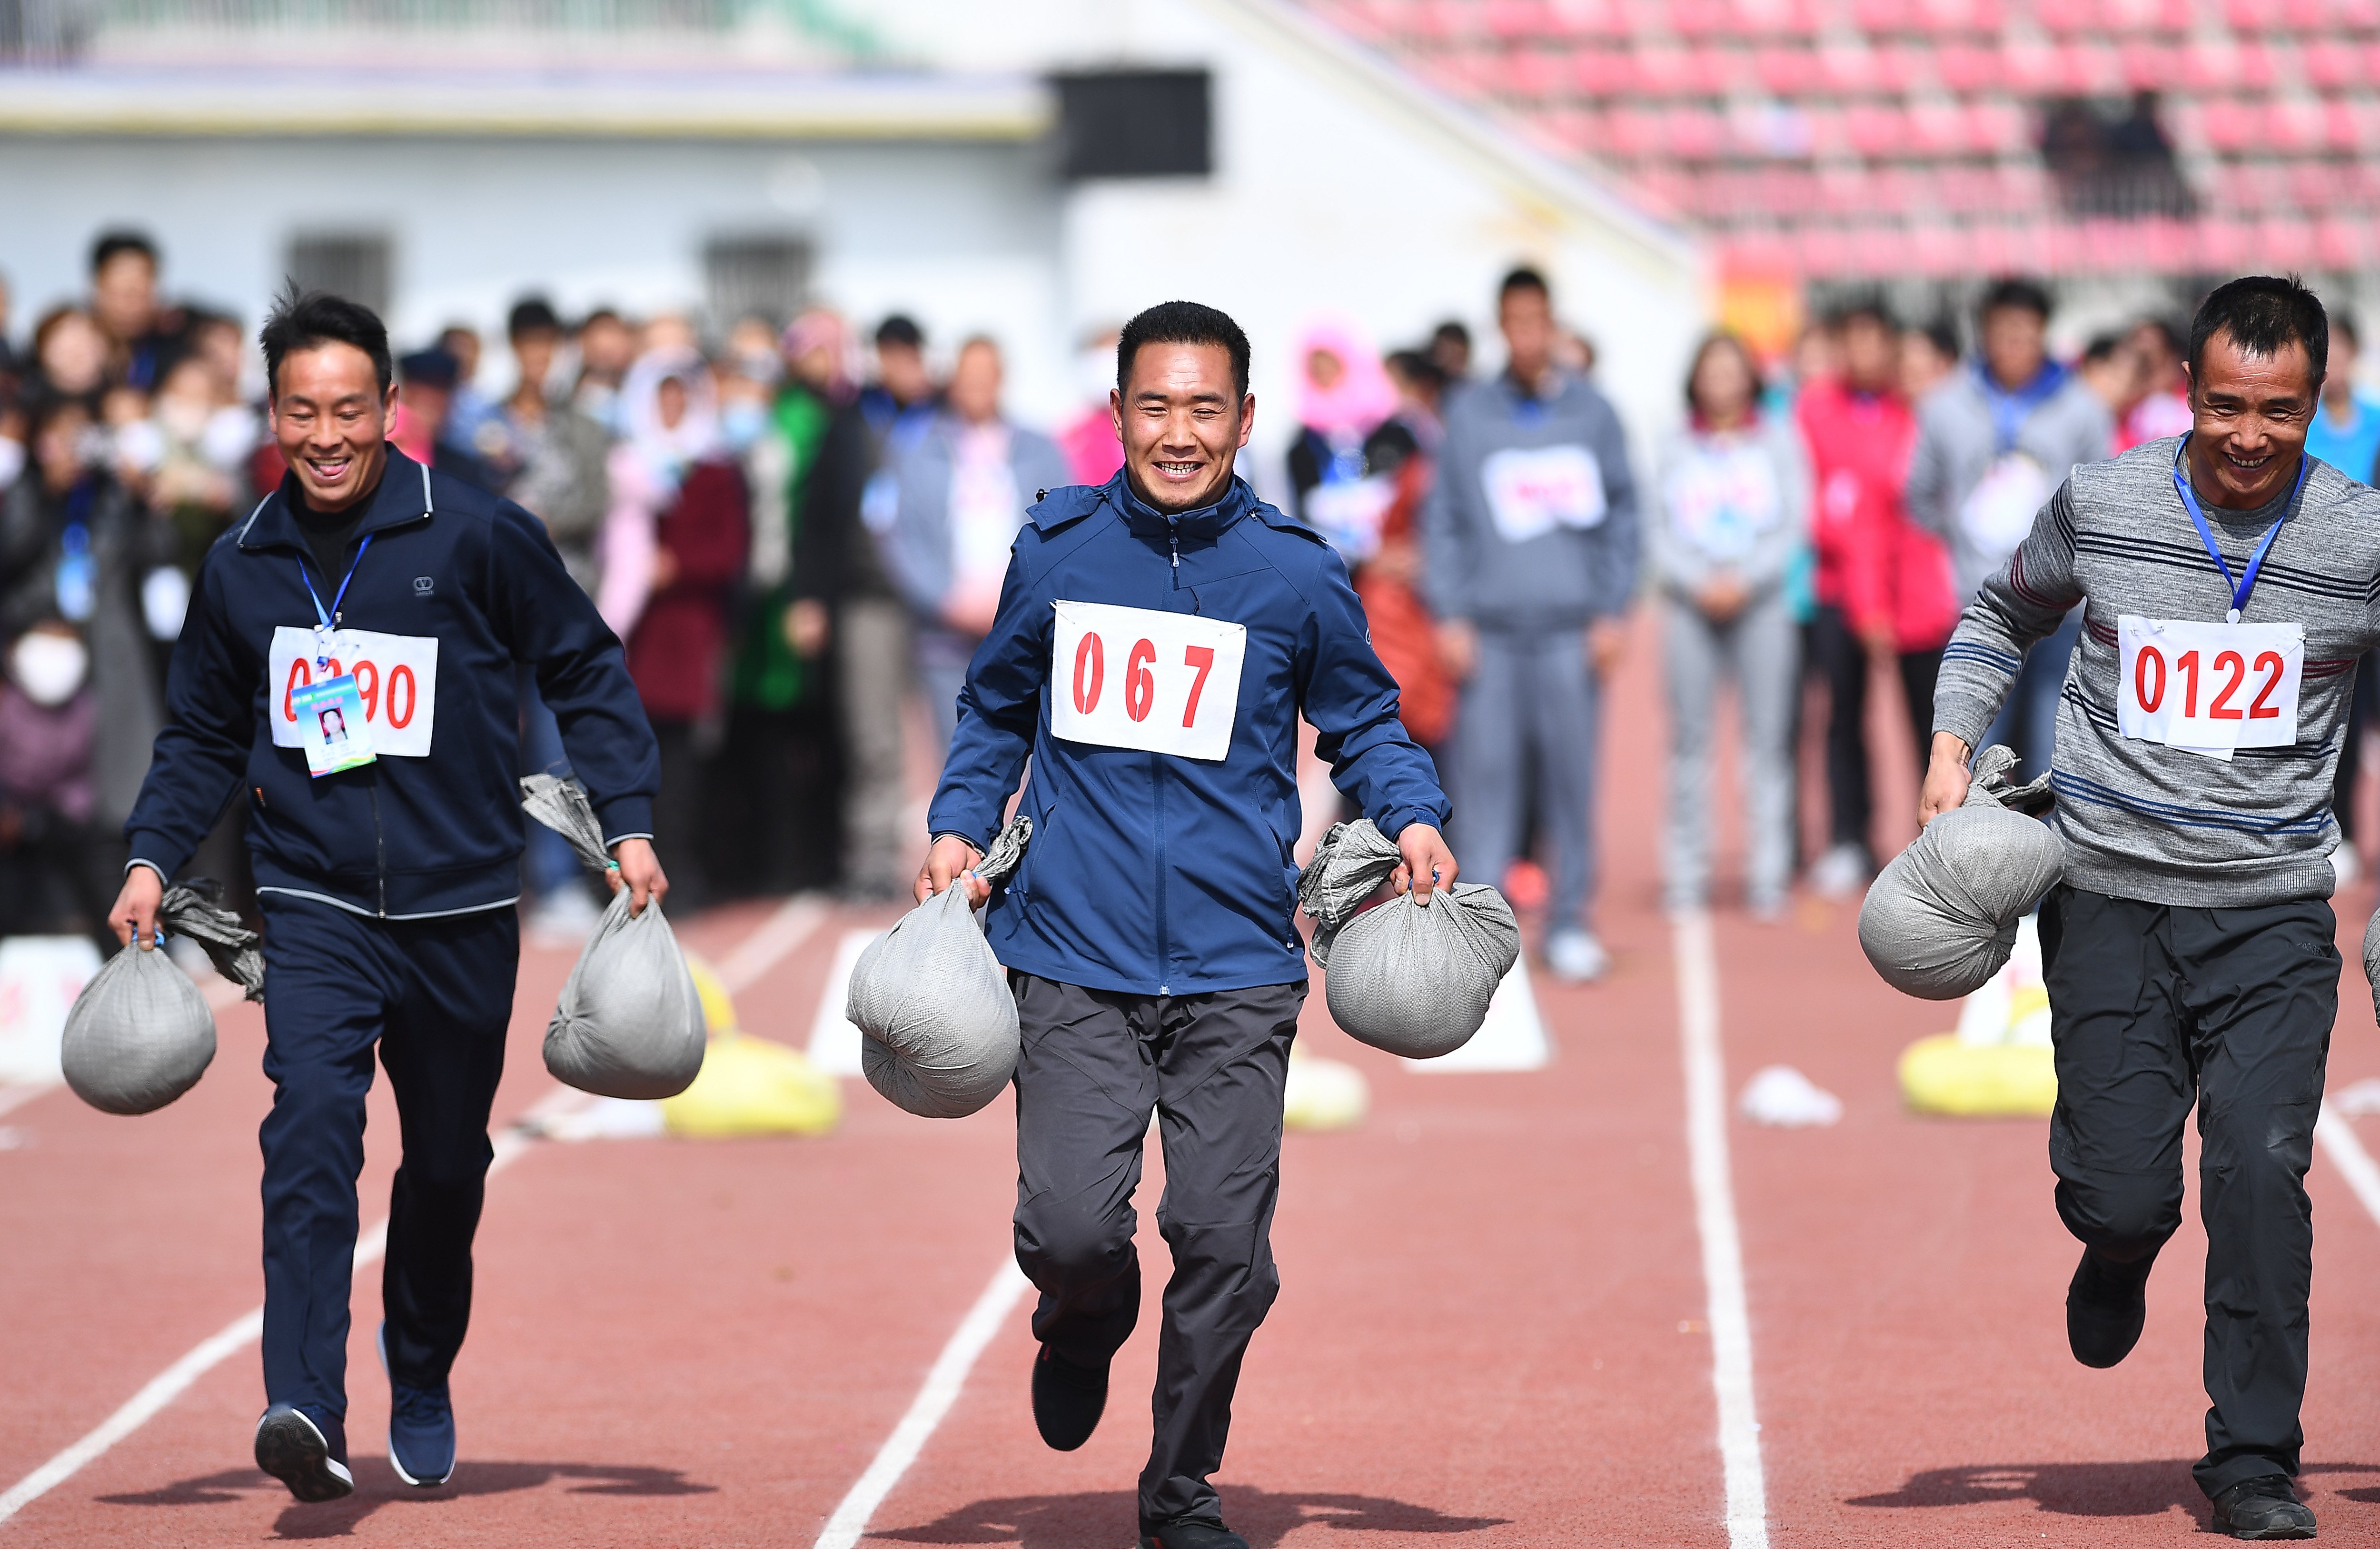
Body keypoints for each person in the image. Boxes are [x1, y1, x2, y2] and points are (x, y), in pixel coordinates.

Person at [109, 287, 664, 1504]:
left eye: (347, 410)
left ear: (390, 410)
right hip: (310, 903)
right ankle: (302, 1396)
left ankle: (421, 1366)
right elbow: (202, 729)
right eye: (300, 411)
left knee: (449, 1164)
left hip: (460, 907)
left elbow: (580, 659)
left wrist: (624, 818)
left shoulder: (474, 533)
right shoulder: (240, 563)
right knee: (309, 1128)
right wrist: (153, 854)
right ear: (270, 413)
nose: (324, 435)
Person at [920, 299, 1453, 1549]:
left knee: (1224, 1241)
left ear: (1246, 420)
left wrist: (1414, 810)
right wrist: (959, 814)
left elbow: (1365, 720)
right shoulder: (1056, 551)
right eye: (1154, 405)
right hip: (1068, 957)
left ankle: (1180, 1486)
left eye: (1204, 407)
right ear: (1117, 416)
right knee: (1069, 1227)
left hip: (1236, 968)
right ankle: (1084, 1311)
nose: (1178, 431)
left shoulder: (1296, 573)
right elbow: (995, 707)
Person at [1922, 276, 2361, 1542]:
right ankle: (2115, 1253)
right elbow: (2003, 612)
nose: (2246, 435)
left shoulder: (2359, 533)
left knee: (2262, 1168)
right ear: (2188, 390)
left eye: (2277, 413)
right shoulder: (2106, 501)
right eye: (2224, 404)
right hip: (2108, 893)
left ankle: (2253, 1457)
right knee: (2126, 1193)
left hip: (2275, 912)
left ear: (2316, 403)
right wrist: (1956, 742)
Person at [1422, 266, 1638, 982]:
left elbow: (1623, 516)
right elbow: (1444, 520)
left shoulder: (1595, 414)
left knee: (1572, 783)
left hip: (1572, 631)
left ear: (1552, 324)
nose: (1525, 335)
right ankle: (1488, 929)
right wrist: (1450, 613)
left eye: (1536, 321)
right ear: (1500, 328)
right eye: (1512, 323)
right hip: (1491, 633)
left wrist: (1612, 610)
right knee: (1487, 786)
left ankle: (1571, 918)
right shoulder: (1471, 414)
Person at [1906, 278, 2113, 782]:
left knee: (2052, 752)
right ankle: (1977, 862)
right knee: (1976, 753)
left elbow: (2101, 497)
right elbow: (1919, 493)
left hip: (2062, 610)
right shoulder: (1944, 404)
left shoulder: (2081, 406)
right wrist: (1964, 535)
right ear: (1983, 332)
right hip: (1980, 604)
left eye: (2026, 333)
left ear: (2044, 333)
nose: (2015, 345)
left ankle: (2048, 860)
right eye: (2004, 333)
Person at [1795, 299, 1958, 899]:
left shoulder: (1915, 413)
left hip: (1925, 599)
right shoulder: (1815, 409)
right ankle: (1848, 836)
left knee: (1936, 724)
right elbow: (1840, 511)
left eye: (1875, 340)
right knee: (1842, 719)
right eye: (1852, 340)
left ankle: (1943, 839)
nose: (1864, 353)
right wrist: (1868, 607)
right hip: (1843, 592)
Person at [1653, 333, 1807, 916]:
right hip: (1690, 605)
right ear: (1694, 379)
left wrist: (1745, 580)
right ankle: (1685, 874)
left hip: (1761, 603)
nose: (1721, 381)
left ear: (1750, 379)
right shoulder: (1673, 442)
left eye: (1732, 370)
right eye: (1710, 370)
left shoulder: (1776, 440)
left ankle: (1768, 871)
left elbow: (1793, 521)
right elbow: (1656, 524)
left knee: (1766, 741)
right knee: (1688, 742)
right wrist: (1698, 582)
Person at [791, 313, 937, 899]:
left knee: (961, 733)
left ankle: (971, 855)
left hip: (938, 605)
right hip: (868, 599)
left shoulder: (945, 421)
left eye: (910, 353)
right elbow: (817, 515)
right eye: (889, 353)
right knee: (872, 737)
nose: (900, 365)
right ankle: (873, 859)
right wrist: (810, 596)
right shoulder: (850, 421)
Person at [876, 335, 1068, 759]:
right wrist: (947, 600)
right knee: (958, 757)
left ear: (1002, 380)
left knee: (1027, 761)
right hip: (945, 634)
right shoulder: (917, 451)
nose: (977, 387)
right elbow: (898, 536)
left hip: (1023, 629)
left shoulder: (1042, 449)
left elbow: (1065, 530)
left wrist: (1019, 602)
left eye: (986, 377)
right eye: (968, 377)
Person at [88, 231, 185, 394]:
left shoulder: (178, 343)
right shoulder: (73, 345)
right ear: (97, 289)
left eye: (141, 294)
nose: (132, 306)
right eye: (122, 294)